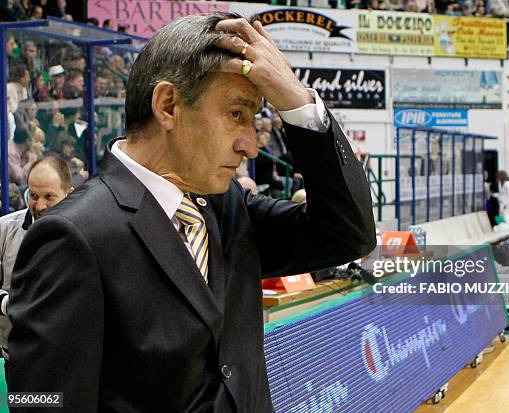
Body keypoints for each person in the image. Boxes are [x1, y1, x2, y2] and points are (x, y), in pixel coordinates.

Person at [7, 13, 376, 413]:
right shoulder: (72, 236)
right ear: (168, 105)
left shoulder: (226, 205)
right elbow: (41, 400)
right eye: (237, 114)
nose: (251, 146)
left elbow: (348, 234)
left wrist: (297, 102)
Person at [0, 157, 73, 350]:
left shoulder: (89, 235)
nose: (40, 206)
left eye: (49, 197)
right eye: (33, 195)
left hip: (64, 355)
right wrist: (9, 303)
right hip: (15, 355)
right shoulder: (4, 230)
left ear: (69, 194)